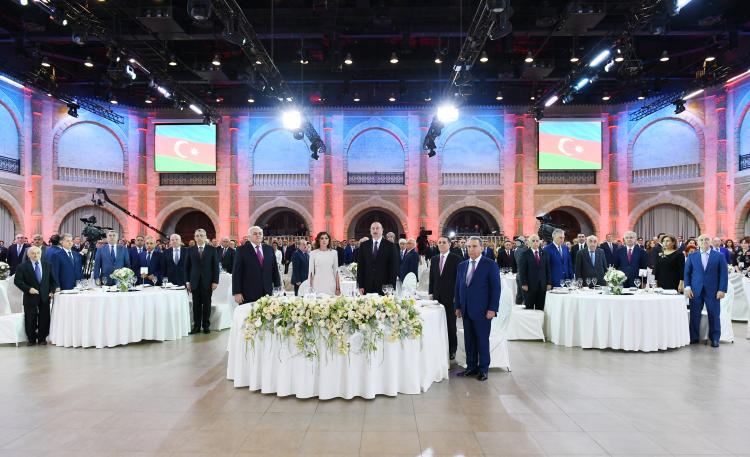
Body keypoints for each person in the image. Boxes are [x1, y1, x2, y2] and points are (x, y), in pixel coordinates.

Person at [453, 236, 501, 381]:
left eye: (474, 246)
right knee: (469, 341)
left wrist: (492, 308)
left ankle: (483, 369)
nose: (471, 249)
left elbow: (496, 289)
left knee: (482, 340)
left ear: (481, 248)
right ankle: (471, 367)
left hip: (483, 311)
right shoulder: (462, 265)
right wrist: (457, 306)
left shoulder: (490, 264)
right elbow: (458, 287)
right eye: (469, 246)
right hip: (466, 309)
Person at [685, 234, 728, 347]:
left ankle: (715, 338)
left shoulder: (719, 256)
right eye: (701, 239)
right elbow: (687, 273)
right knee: (694, 315)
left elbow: (724, 274)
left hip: (713, 291)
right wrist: (687, 287)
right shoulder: (692, 256)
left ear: (710, 242)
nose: (704, 241)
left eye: (707, 239)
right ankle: (693, 337)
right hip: (695, 290)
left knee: (714, 315)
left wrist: (722, 289)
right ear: (698, 243)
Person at [14, 246, 59, 346]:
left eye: (38, 253)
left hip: (45, 297)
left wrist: (51, 291)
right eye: (33, 253)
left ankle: (42, 338)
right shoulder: (22, 266)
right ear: (28, 255)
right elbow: (17, 281)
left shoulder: (48, 265)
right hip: (30, 297)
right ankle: (31, 339)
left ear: (41, 254)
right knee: (30, 318)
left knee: (44, 318)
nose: (35, 255)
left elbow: (53, 281)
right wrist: (28, 289)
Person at [428, 236, 461, 360]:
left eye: (444, 242)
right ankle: (440, 346)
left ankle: (452, 349)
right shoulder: (434, 259)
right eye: (439, 242)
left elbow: (459, 280)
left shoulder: (456, 259)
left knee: (450, 324)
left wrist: (457, 297)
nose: (441, 244)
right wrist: (431, 293)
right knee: (438, 322)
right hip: (437, 296)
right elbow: (432, 278)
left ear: (449, 244)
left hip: (451, 296)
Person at [232, 226, 281, 304]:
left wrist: (277, 286)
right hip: (248, 292)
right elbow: (237, 272)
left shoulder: (269, 249)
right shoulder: (242, 250)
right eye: (255, 233)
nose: (258, 235)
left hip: (267, 291)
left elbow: (274, 269)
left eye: (260, 233)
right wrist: (237, 292)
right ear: (249, 237)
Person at [185, 229, 220, 334]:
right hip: (194, 282)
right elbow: (186, 267)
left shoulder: (212, 249)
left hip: (208, 282)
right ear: (194, 237)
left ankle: (206, 326)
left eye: (201, 235)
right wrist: (187, 282)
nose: (199, 237)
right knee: (196, 305)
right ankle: (196, 326)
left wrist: (215, 281)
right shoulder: (190, 250)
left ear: (205, 237)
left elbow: (215, 267)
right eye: (197, 236)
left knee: (207, 304)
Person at [356, 222, 399, 295]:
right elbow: (360, 266)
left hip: (384, 286)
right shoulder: (364, 245)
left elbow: (393, 268)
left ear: (382, 230)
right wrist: (360, 285)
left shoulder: (390, 246)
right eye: (373, 228)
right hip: (367, 285)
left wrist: (391, 287)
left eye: (377, 228)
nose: (375, 230)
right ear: (370, 231)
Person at [518, 235, 552, 310]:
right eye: (533, 241)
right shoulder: (525, 254)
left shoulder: (544, 253)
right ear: (529, 242)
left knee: (540, 308)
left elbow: (548, 270)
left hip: (542, 285)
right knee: (529, 308)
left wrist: (549, 283)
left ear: (540, 242)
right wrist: (524, 284)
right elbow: (522, 271)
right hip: (529, 286)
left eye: (537, 241)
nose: (535, 242)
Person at [308, 231, 339, 296]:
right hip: (317, 284)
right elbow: (311, 272)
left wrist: (338, 288)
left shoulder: (334, 253)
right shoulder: (313, 253)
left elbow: (336, 272)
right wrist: (310, 287)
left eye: (326, 238)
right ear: (318, 240)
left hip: (330, 283)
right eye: (322, 238)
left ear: (329, 240)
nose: (324, 240)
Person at [513, 236, 528, 304]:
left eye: (518, 241)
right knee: (524, 295)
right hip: (523, 275)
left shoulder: (517, 250)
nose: (516, 242)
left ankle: (517, 307)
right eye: (516, 241)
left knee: (519, 294)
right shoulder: (524, 250)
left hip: (519, 275)